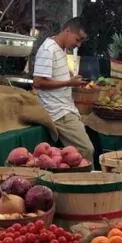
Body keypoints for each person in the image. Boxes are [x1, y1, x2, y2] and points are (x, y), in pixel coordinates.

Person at [32, 17, 95, 161]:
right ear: (67, 31)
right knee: (86, 150)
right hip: (58, 112)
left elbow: (53, 76)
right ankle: (87, 182)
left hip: (66, 109)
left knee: (81, 153)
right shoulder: (48, 49)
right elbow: (38, 82)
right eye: (77, 39)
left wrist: (71, 78)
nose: (78, 44)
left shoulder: (60, 49)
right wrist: (68, 82)